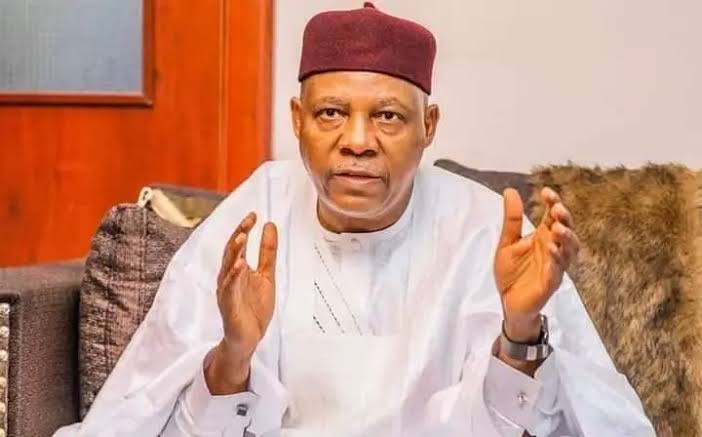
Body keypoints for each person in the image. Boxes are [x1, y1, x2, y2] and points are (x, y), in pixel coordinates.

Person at [55, 3, 654, 436]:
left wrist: (520, 330)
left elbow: (518, 427)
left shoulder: (483, 227)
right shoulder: (257, 213)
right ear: (298, 120)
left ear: (429, 127)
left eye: (388, 116)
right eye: (331, 113)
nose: (357, 141)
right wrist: (234, 352)